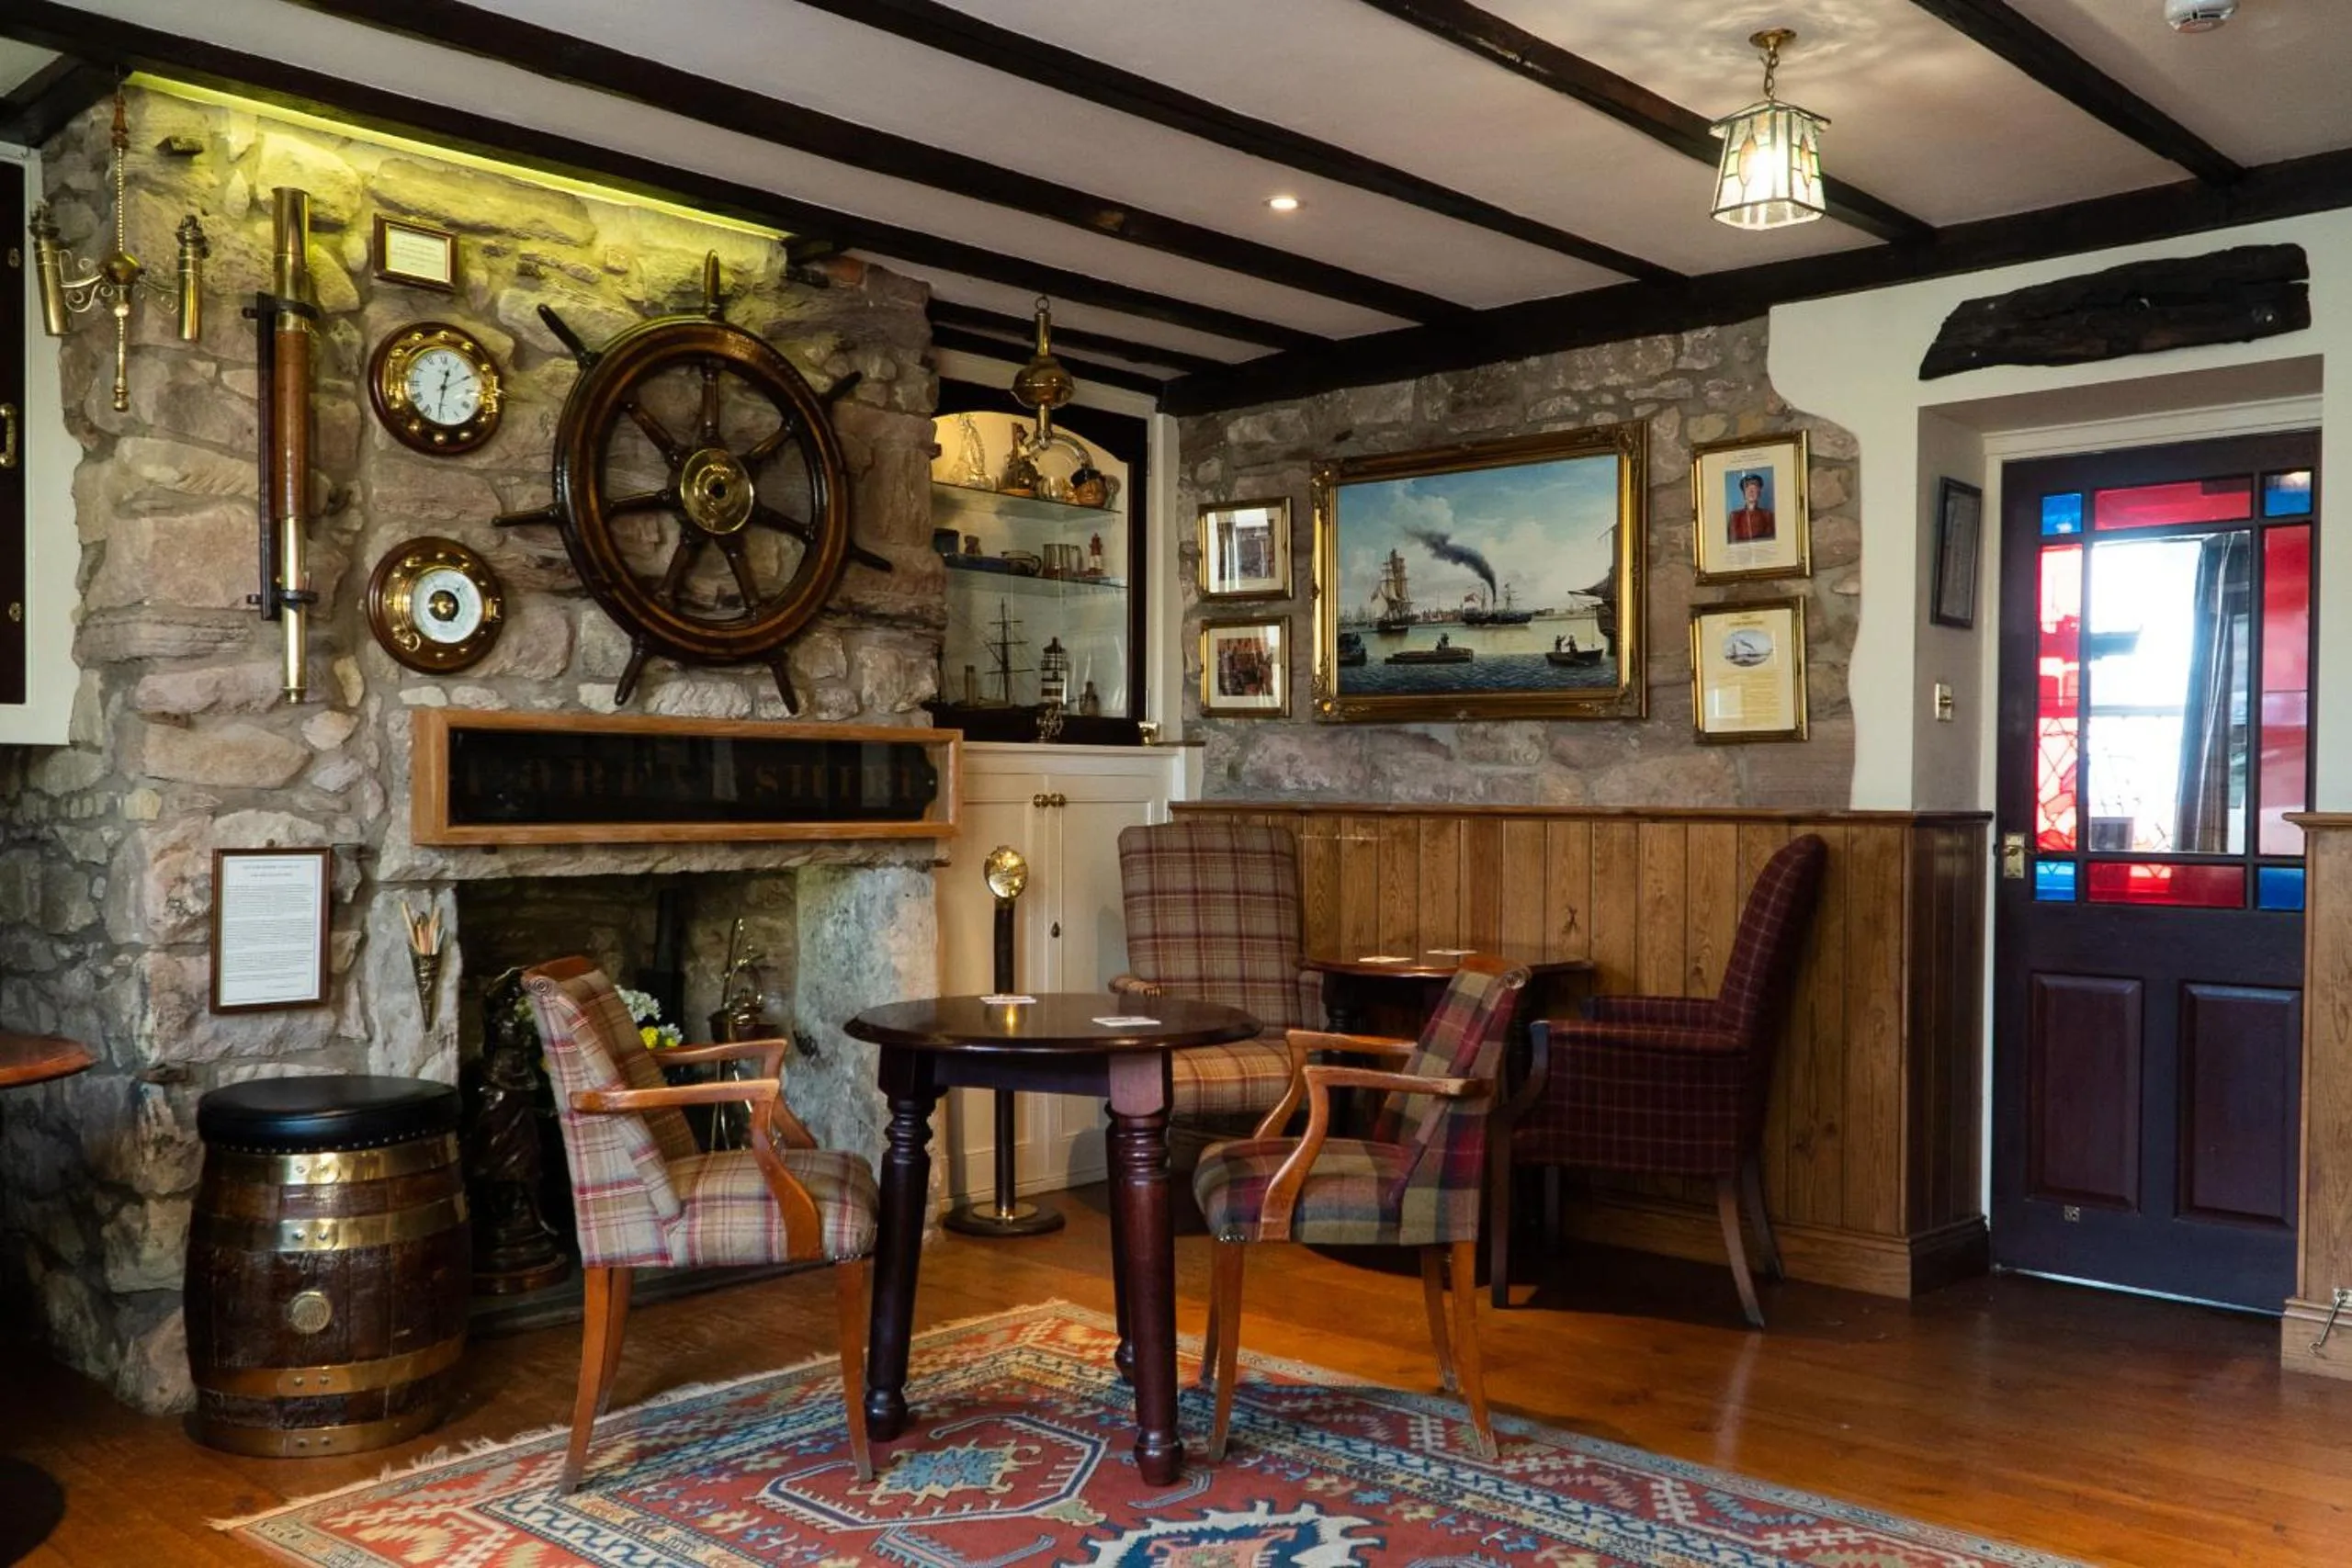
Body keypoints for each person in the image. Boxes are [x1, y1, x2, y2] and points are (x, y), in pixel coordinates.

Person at [1728, 471, 1777, 544]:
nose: (1751, 491)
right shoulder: (1734, 516)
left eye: (1754, 488)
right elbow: (1731, 543)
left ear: (1759, 493)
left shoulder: (1768, 515)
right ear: (1744, 494)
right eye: (1747, 488)